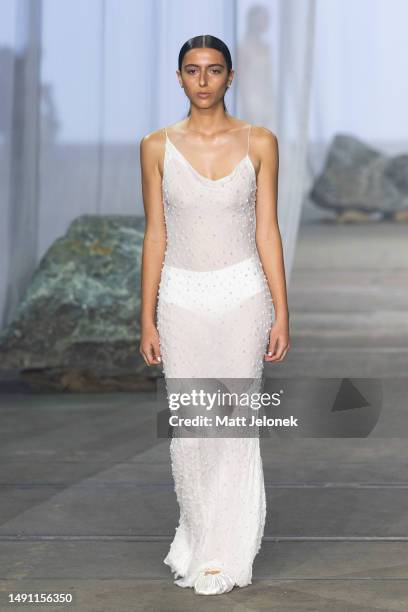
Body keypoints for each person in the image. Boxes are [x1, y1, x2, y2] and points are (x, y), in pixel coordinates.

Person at [139, 34, 290, 596]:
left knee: (232, 425)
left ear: (231, 76)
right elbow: (156, 234)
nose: (203, 80)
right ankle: (199, 534)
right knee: (191, 428)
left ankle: (225, 553)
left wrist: (281, 311)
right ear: (178, 78)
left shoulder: (260, 142)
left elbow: (266, 230)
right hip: (179, 297)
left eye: (214, 69)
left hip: (242, 296)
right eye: (192, 70)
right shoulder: (155, 146)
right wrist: (146, 317)